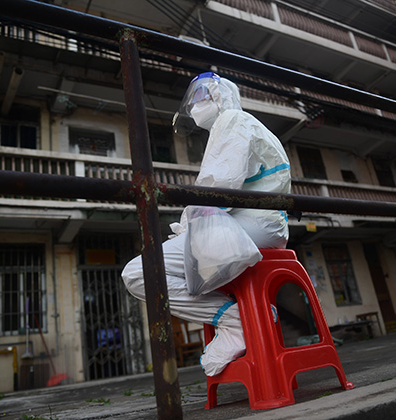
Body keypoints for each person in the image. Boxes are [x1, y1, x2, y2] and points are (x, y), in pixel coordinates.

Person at [121, 72, 291, 376]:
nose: (196, 105)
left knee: (138, 273)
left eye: (202, 97)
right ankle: (237, 317)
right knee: (179, 270)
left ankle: (236, 320)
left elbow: (218, 187)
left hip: (249, 225)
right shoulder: (243, 124)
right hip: (260, 223)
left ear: (220, 97)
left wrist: (189, 222)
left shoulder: (233, 121)